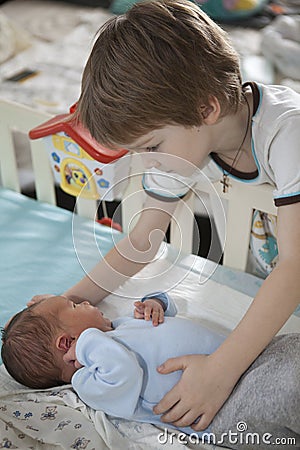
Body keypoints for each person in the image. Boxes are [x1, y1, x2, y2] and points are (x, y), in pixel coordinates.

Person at [30, 0, 300, 433]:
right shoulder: (189, 141)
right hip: (273, 272)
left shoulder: (289, 133)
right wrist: (63, 308)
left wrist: (219, 371)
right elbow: (143, 240)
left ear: (205, 109)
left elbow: (294, 267)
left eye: (152, 147)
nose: (149, 164)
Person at [2, 293, 300, 449]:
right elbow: (124, 372)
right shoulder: (89, 381)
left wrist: (155, 304)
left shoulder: (116, 329)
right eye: (75, 306)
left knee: (292, 349)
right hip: (223, 407)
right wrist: (87, 343)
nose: (86, 302)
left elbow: (164, 315)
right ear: (69, 343)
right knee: (289, 391)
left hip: (245, 356)